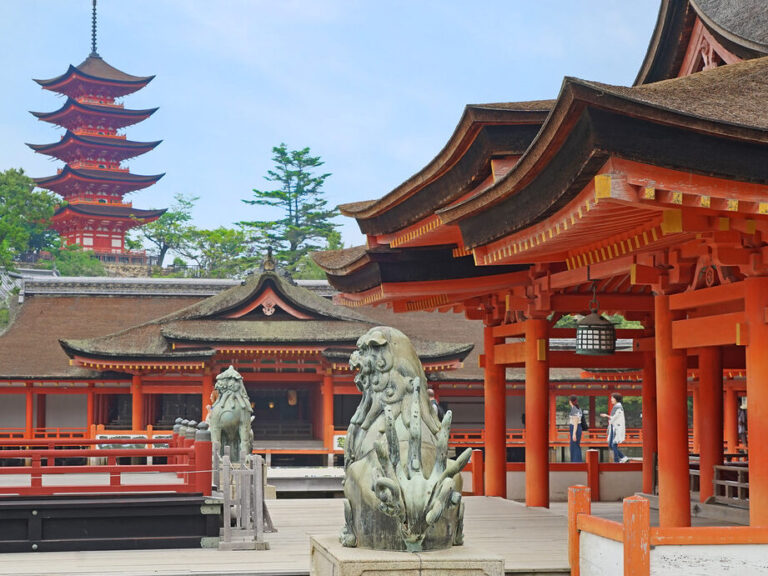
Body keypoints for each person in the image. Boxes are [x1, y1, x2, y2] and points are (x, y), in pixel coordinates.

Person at [601, 393, 629, 463]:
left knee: (613, 444)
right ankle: (623, 457)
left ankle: (617, 460)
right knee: (611, 444)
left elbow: (614, 418)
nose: (611, 400)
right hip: (613, 427)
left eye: (612, 398)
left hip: (617, 428)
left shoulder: (618, 407)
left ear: (616, 399)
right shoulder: (616, 406)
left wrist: (606, 415)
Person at [568, 395, 583, 463]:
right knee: (576, 445)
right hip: (578, 427)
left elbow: (575, 422)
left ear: (570, 401)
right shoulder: (578, 408)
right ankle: (578, 461)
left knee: (574, 445)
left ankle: (575, 462)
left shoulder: (574, 409)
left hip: (575, 427)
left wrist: (574, 434)